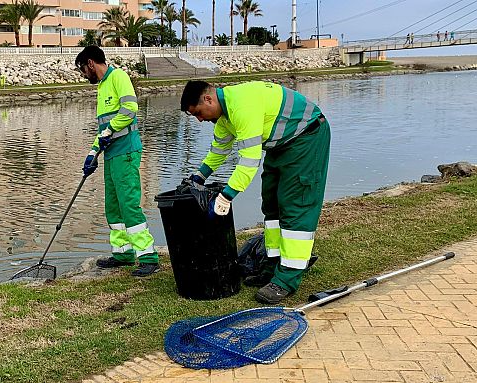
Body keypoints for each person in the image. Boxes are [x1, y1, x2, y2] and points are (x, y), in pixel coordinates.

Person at [180, 81, 330, 304]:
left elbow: (249, 161)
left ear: (208, 99)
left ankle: (287, 279)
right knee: (271, 204)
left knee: (295, 206)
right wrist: (198, 177)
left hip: (305, 138)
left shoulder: (242, 107)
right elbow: (219, 151)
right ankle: (272, 267)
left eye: (198, 113)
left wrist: (226, 196)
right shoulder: (224, 117)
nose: (200, 120)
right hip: (279, 146)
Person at [74, 45, 159, 277]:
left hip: (126, 151)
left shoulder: (118, 77)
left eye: (82, 69)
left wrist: (109, 131)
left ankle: (148, 256)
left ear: (91, 63)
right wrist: (92, 155)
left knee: (129, 204)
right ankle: (122, 253)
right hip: (112, 155)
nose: (83, 75)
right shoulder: (102, 87)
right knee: (112, 206)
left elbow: (130, 109)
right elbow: (103, 129)